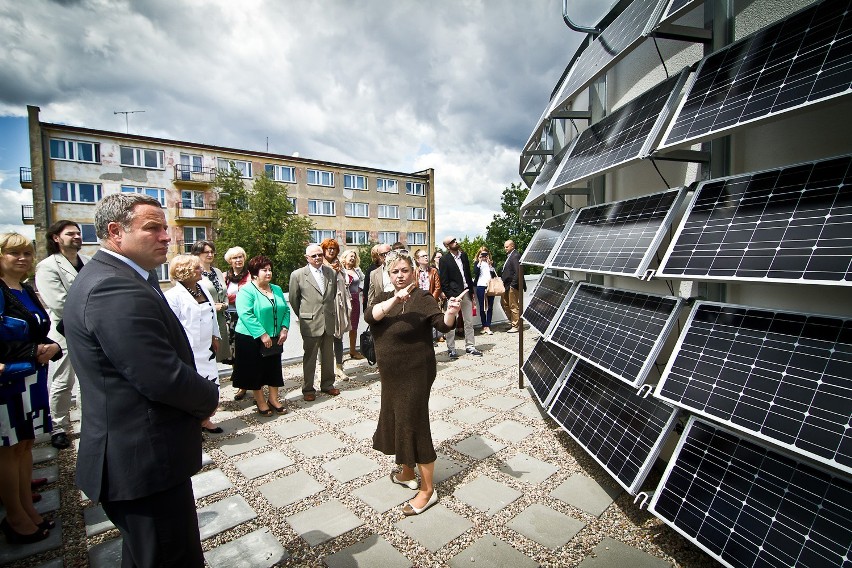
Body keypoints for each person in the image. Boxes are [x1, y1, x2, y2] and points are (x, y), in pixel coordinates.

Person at [63, 193, 219, 567]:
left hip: (142, 457)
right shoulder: (112, 287)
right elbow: (160, 377)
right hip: (142, 460)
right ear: (116, 232)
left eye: (165, 227)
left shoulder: (123, 276)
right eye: (153, 227)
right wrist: (208, 398)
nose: (166, 236)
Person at [365, 250, 461, 516]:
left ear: (414, 272)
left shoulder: (423, 297)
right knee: (397, 418)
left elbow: (443, 325)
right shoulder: (384, 298)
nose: (399, 275)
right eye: (394, 271)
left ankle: (428, 490)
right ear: (388, 274)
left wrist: (451, 312)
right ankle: (407, 472)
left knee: (414, 422)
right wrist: (395, 300)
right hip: (391, 374)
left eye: (404, 270)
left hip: (416, 372)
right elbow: (370, 316)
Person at [0, 232, 61, 544]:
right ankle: (15, 516)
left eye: (26, 252)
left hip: (32, 377)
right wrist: (33, 352)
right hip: (7, 381)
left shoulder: (25, 289)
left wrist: (51, 347)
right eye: (14, 253)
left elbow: (38, 330)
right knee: (8, 449)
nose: (22, 258)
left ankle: (26, 503)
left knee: (25, 444)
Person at [34, 220, 90, 450]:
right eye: (70, 233)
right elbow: (59, 303)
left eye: (78, 233)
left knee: (86, 381)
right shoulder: (48, 266)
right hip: (64, 332)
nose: (77, 236)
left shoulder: (86, 262)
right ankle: (58, 426)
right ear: (56, 238)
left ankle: (88, 424)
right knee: (62, 382)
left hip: (89, 331)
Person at [164, 255, 223, 433]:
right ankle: (193, 425)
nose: (201, 270)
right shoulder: (173, 296)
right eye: (197, 268)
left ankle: (206, 419)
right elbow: (171, 327)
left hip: (206, 349)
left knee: (211, 385)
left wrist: (214, 336)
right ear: (185, 271)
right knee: (192, 389)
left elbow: (211, 314)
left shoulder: (203, 288)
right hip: (188, 350)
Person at [231, 255, 291, 416]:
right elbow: (246, 314)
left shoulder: (276, 289)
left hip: (275, 336)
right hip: (250, 338)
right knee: (255, 371)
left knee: (273, 368)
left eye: (270, 269)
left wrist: (284, 328)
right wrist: (262, 334)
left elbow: (285, 310)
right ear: (255, 273)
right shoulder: (246, 291)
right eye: (264, 270)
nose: (268, 272)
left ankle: (274, 399)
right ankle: (261, 401)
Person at [289, 244, 339, 402]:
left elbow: (331, 297)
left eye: (319, 254)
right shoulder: (297, 275)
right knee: (310, 357)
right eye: (314, 256)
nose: (317, 258)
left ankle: (327, 385)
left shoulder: (330, 272)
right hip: (310, 323)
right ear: (307, 258)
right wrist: (304, 316)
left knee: (328, 355)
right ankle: (308, 388)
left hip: (328, 321)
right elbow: (294, 299)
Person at [438, 236, 482, 358]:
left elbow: (468, 274)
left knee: (469, 321)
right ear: (447, 246)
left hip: (466, 292)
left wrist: (471, 291)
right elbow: (444, 281)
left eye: (455, 240)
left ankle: (470, 346)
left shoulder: (464, 256)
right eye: (452, 242)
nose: (455, 242)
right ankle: (451, 348)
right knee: (451, 323)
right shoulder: (445, 260)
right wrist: (450, 297)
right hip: (454, 295)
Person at [191, 240, 231, 363]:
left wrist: (225, 304)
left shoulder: (217, 272)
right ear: (197, 254)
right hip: (205, 319)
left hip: (221, 318)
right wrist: (212, 306)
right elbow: (192, 297)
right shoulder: (194, 273)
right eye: (206, 252)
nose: (210, 254)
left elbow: (224, 292)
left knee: (220, 353)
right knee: (207, 354)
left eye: (212, 252)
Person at [321, 238, 351, 380]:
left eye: (333, 248)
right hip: (326, 307)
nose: (331, 251)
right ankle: (324, 369)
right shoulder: (319, 265)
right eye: (328, 248)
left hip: (339, 305)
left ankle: (339, 367)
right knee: (324, 338)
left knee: (338, 336)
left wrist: (341, 272)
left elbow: (346, 283)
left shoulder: (339, 265)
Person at [224, 246, 250, 399]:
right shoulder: (224, 276)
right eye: (235, 258)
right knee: (234, 353)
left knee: (247, 350)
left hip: (246, 317)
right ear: (230, 261)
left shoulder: (250, 275)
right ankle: (241, 384)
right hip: (230, 318)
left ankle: (253, 382)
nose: (238, 260)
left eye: (240, 256)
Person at [340, 249, 365, 360]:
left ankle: (353, 350)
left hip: (355, 299)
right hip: (344, 300)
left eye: (354, 257)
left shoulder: (357, 271)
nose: (352, 258)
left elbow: (364, 282)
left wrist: (360, 290)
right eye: (350, 256)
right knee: (341, 325)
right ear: (344, 258)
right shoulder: (340, 271)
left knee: (354, 326)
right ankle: (338, 352)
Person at [501, 240, 525, 333]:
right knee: (504, 303)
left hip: (513, 286)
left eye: (507, 247)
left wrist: (513, 285)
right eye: (505, 247)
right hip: (507, 286)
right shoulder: (510, 256)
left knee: (513, 305)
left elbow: (518, 271)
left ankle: (516, 325)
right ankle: (513, 323)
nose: (505, 249)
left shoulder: (515, 256)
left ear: (512, 246)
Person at [472, 247, 497, 335]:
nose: (484, 256)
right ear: (479, 255)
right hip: (480, 286)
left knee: (490, 306)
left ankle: (488, 326)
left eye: (485, 254)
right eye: (482, 254)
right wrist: (479, 262)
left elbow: (494, 274)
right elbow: (475, 272)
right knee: (482, 307)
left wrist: (490, 265)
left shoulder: (491, 263)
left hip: (490, 286)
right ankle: (484, 326)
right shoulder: (477, 263)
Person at [364, 243, 391, 310]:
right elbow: (371, 296)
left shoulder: (401, 270)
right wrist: (370, 312)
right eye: (382, 255)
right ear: (378, 256)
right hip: (382, 308)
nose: (385, 256)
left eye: (387, 253)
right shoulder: (374, 273)